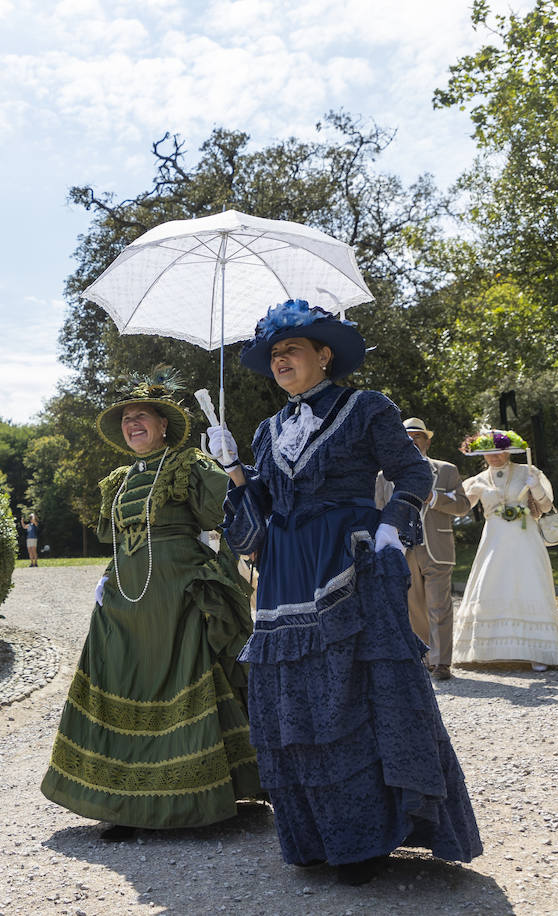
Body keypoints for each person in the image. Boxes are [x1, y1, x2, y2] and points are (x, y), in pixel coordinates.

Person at [210, 300, 482, 885]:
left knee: (358, 685)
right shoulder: (267, 430)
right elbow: (257, 521)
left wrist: (391, 526)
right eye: (274, 354)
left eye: (292, 350)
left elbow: (414, 474)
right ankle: (318, 834)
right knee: (296, 696)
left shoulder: (365, 407)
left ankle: (367, 838)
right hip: (286, 571)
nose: (281, 361)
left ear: (323, 354)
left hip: (348, 560)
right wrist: (235, 471)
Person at [41, 368, 260, 842]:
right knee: (120, 684)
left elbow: (224, 514)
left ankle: (193, 800)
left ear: (164, 425)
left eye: (141, 416)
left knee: (182, 684)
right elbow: (113, 538)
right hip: (123, 600)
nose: (132, 423)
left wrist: (226, 465)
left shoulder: (188, 464)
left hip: (178, 597)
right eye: (126, 419)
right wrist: (107, 580)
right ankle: (123, 802)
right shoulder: (117, 481)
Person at [453, 429, 558, 671]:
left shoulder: (527, 471)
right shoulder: (477, 480)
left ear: (508, 451)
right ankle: (485, 649)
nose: (495, 457)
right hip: (494, 541)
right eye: (489, 454)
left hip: (524, 537)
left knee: (529, 583)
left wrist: (535, 486)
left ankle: (540, 651)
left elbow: (546, 505)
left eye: (499, 452)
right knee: (491, 583)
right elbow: (460, 508)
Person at [376, 418, 472, 680]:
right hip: (402, 548)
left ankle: (442, 663)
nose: (412, 440)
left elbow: (464, 506)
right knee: (413, 606)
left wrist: (435, 498)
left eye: (418, 436)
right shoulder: (385, 475)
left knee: (439, 605)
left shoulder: (447, 470)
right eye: (407, 436)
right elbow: (377, 510)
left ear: (427, 441)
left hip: (436, 547)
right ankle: (424, 657)